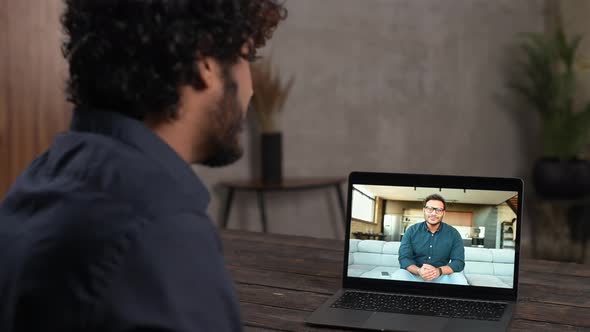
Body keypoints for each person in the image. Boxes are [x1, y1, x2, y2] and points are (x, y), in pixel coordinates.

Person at [0, 1, 286, 331]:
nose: (250, 88)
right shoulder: (159, 228)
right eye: (245, 57)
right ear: (204, 62)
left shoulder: (40, 177)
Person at [392, 194, 469, 285]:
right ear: (424, 210)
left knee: (459, 280)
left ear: (444, 213)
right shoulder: (411, 231)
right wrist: (419, 270)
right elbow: (404, 258)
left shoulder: (453, 233)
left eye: (438, 210)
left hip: (441, 276)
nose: (433, 213)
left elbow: (458, 262)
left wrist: (438, 271)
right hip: (414, 275)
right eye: (430, 209)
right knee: (398, 276)